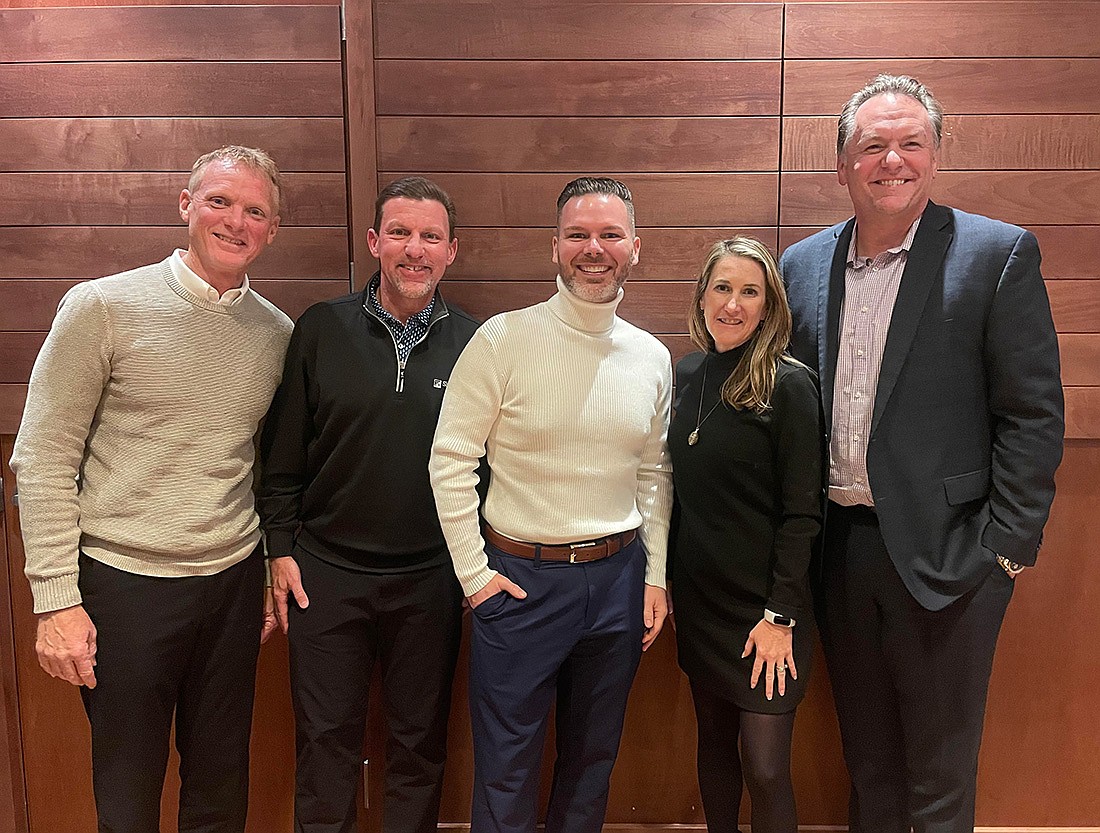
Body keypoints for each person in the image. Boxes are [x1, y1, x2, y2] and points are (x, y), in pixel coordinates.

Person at [780, 74, 1065, 833]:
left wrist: (1005, 549)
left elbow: (1033, 415)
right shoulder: (800, 266)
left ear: (935, 157)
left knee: (940, 779)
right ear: (842, 164)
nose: (892, 160)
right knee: (868, 767)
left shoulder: (995, 255)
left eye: (911, 143)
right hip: (838, 556)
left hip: (952, 561)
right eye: (872, 145)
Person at [10, 145, 293, 833]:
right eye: (220, 201)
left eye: (255, 210)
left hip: (228, 587)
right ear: (185, 205)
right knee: (128, 795)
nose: (236, 221)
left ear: (272, 230)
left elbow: (261, 468)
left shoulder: (277, 334)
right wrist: (56, 601)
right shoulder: (103, 306)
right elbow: (42, 457)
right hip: (124, 587)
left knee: (221, 790)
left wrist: (260, 572)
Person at [429, 177, 673, 833]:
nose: (594, 248)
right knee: (506, 770)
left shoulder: (651, 356)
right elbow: (451, 459)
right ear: (554, 247)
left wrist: (654, 576)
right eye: (578, 235)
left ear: (635, 247)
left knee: (593, 763)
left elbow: (654, 471)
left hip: (619, 579)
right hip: (519, 581)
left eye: (610, 234)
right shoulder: (502, 341)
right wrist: (474, 577)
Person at [257, 176, 481, 833]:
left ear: (452, 251)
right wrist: (278, 547)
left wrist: (476, 567)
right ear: (374, 241)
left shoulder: (477, 343)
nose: (416, 249)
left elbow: (490, 467)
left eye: (431, 237)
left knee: (420, 745)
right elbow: (283, 457)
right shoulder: (321, 329)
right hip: (326, 575)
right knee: (325, 743)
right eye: (402, 233)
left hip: (431, 579)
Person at [669, 237, 823, 833]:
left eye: (749, 292)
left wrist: (780, 615)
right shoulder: (688, 374)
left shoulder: (789, 386)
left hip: (767, 614)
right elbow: (680, 494)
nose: (733, 304)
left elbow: (803, 514)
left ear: (769, 307)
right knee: (713, 752)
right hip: (701, 606)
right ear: (702, 296)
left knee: (765, 768)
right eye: (722, 288)